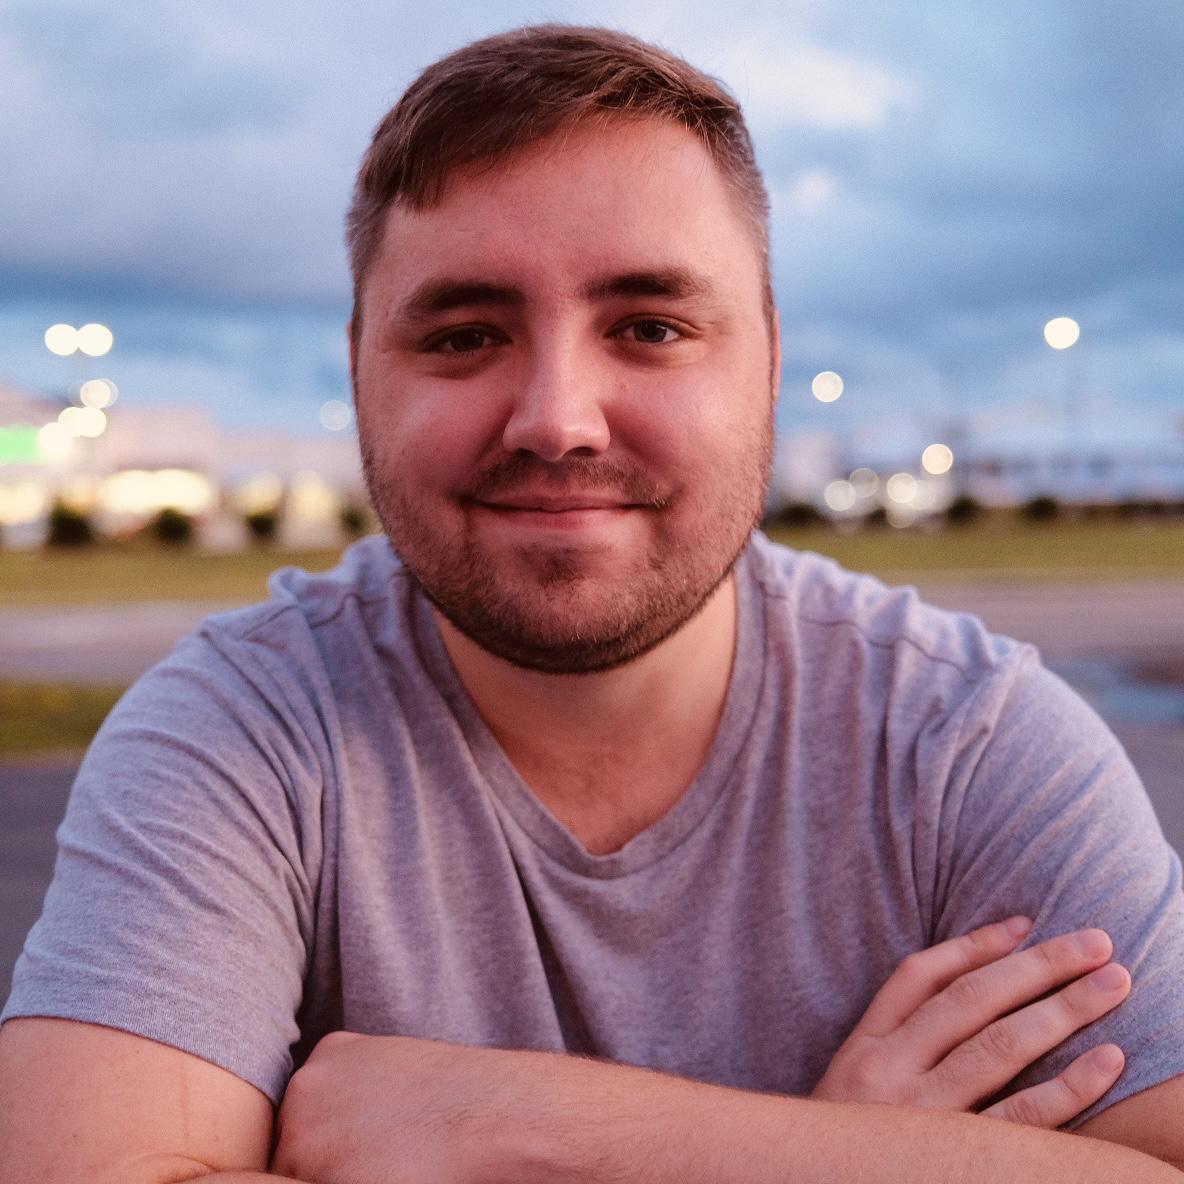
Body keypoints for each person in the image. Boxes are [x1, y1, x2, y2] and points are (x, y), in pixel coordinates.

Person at [1, 24, 1182, 1184]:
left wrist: (555, 1130)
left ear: (767, 360)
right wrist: (869, 1157)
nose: (557, 418)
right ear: (360, 369)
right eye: (465, 335)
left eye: (650, 328)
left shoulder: (966, 741)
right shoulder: (241, 730)